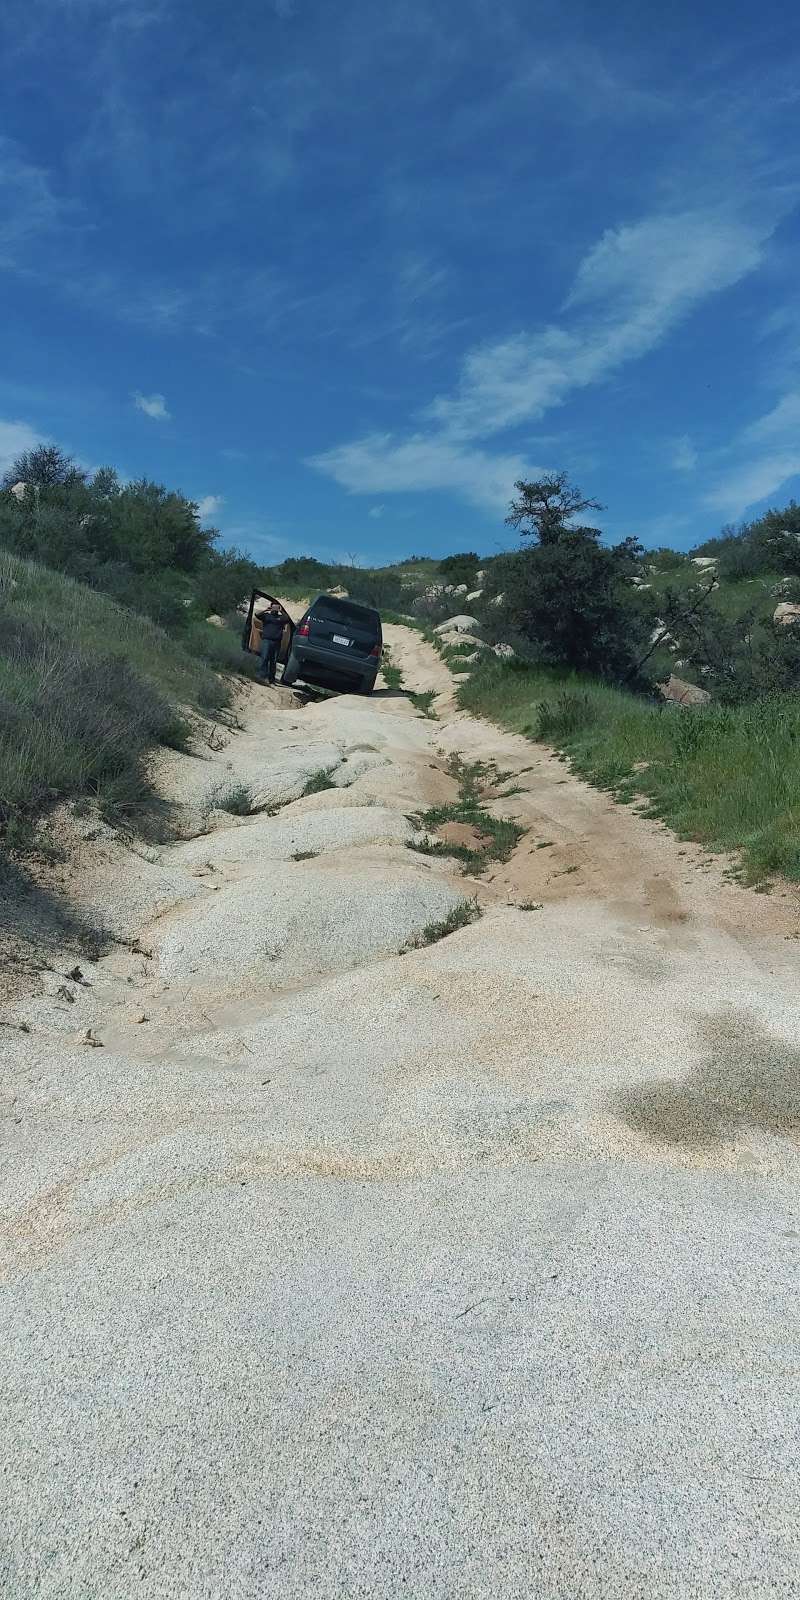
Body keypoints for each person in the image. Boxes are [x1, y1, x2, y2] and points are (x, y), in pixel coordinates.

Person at [257, 603, 285, 685]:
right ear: (271, 607)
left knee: (273, 661)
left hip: (277, 642)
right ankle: (262, 676)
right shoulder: (266, 616)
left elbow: (287, 619)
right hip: (266, 640)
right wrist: (266, 609)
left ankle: (271, 679)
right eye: (274, 607)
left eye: (277, 607)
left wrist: (281, 611)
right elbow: (257, 615)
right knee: (264, 658)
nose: (275, 609)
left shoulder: (281, 618)